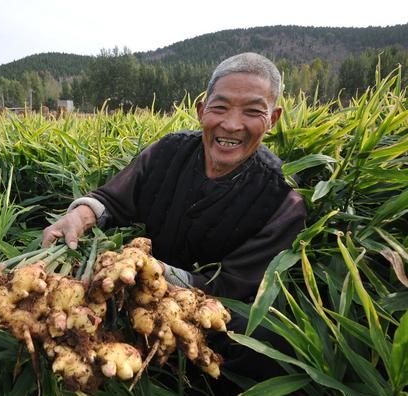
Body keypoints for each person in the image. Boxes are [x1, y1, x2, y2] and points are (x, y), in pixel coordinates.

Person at [42, 52, 306, 394]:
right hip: (129, 287)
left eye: (252, 111)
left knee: (263, 340)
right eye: (221, 107)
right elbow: (113, 198)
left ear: (273, 118)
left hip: (208, 310)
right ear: (201, 110)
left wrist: (152, 272)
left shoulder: (282, 200)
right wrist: (79, 216)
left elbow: (233, 289)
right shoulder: (169, 152)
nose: (231, 124)